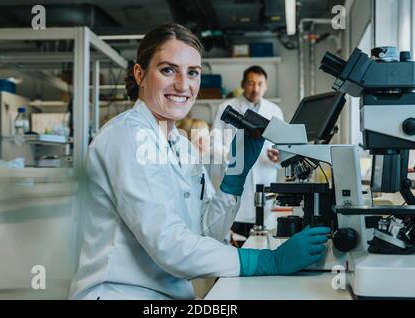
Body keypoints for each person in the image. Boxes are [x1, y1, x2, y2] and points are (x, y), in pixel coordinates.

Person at [68, 23, 330, 300]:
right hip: (120, 293)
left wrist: (235, 176)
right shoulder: (126, 137)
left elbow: (204, 232)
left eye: (192, 73)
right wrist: (267, 261)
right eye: (168, 70)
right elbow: (170, 245)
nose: (183, 85)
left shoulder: (181, 144)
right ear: (140, 73)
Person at [212, 66, 284, 239]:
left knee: (263, 234)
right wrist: (232, 156)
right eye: (251, 83)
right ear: (243, 84)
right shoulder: (226, 107)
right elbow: (215, 142)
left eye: (260, 84)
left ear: (266, 85)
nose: (255, 88)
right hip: (236, 182)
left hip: (265, 178)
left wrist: (278, 156)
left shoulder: (274, 111)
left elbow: (283, 145)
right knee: (235, 235)